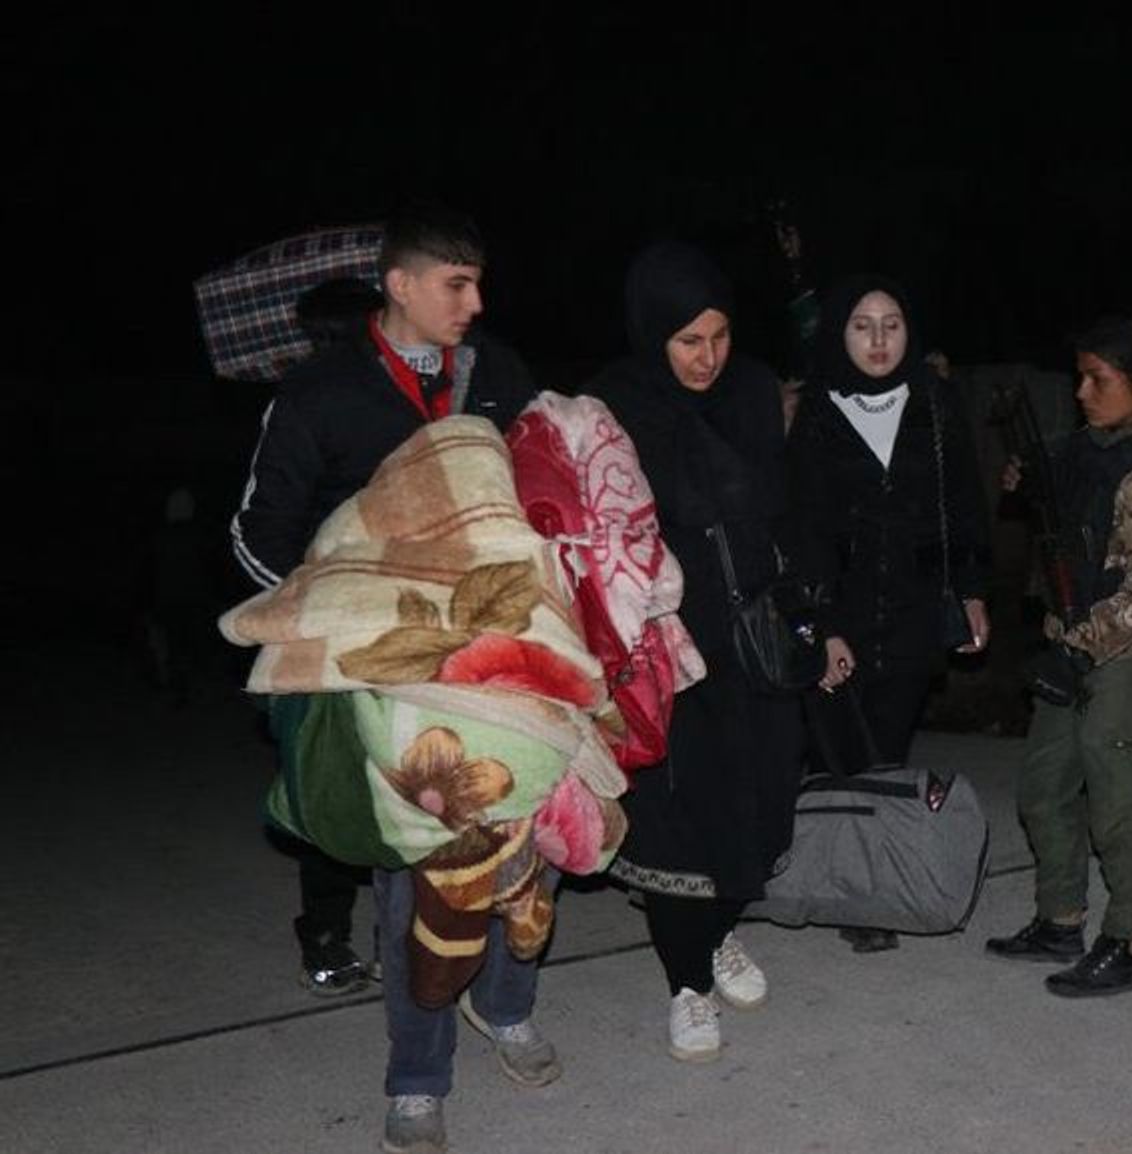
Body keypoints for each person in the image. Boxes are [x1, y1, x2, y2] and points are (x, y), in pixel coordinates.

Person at [230, 203, 546, 1154]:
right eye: (456, 284)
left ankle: (510, 1002)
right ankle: (417, 1078)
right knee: (419, 858)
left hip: (503, 659)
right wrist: (332, 621)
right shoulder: (319, 393)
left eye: (480, 282)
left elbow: (545, 493)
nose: (475, 302)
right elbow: (257, 535)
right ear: (399, 285)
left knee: (529, 831)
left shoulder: (499, 376)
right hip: (384, 674)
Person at [587, 241, 806, 1063]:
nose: (708, 357)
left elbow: (783, 515)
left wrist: (814, 620)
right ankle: (686, 982)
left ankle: (719, 935)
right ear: (653, 335)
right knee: (683, 815)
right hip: (665, 648)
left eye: (718, 336)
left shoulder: (752, 390)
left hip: (756, 634)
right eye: (688, 341)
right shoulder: (613, 405)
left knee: (760, 799)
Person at [787, 274, 992, 953]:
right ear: (840, 334)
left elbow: (963, 501)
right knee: (845, 752)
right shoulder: (816, 410)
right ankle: (855, 889)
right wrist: (823, 623)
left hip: (910, 608)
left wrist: (970, 589)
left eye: (891, 323)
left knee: (887, 750)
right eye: (861, 325)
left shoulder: (934, 402)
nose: (877, 339)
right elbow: (801, 524)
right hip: (840, 612)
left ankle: (882, 882)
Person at [983, 316, 1132, 997]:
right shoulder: (1087, 449)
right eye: (1080, 377)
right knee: (1043, 788)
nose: (1083, 392)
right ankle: (1059, 917)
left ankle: (1129, 941)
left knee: (1120, 806)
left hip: (1124, 650)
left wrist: (1080, 649)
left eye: (1101, 379)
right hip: (1071, 639)